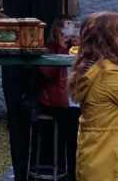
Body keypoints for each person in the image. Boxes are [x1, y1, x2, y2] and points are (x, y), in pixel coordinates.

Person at [68, 11, 118, 180]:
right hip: (113, 164)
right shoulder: (108, 74)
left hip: (102, 159)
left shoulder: (97, 68)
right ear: (110, 40)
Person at [37, 15, 80, 181]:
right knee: (72, 123)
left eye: (70, 27)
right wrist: (61, 49)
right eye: (62, 27)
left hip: (77, 100)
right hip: (57, 103)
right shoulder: (48, 48)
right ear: (55, 31)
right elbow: (47, 73)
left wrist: (80, 47)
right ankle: (69, 172)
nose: (66, 31)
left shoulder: (80, 48)